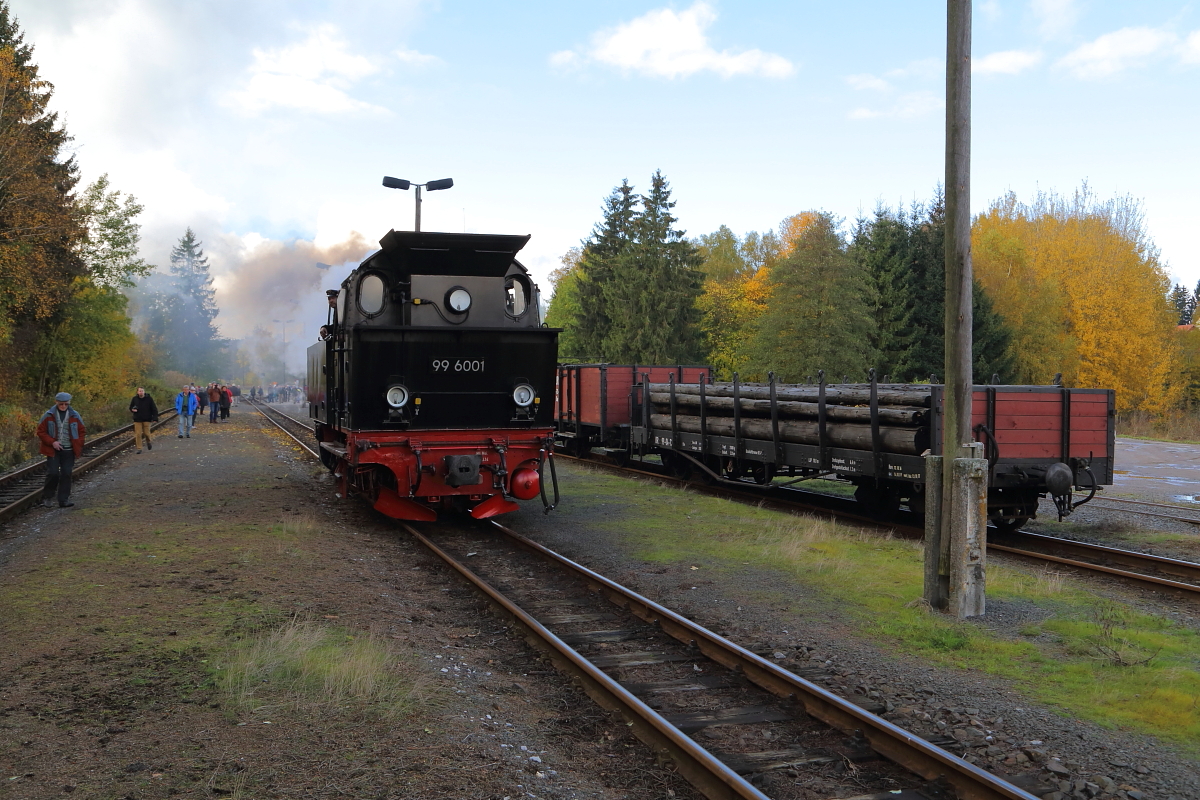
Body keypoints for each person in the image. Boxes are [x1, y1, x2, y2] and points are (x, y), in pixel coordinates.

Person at [36, 392, 85, 508]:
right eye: (61, 404)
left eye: (66, 404)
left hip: (69, 450)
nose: (63, 406)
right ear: (56, 403)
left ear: (69, 403)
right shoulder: (48, 415)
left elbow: (82, 431)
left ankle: (63, 500)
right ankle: (48, 497)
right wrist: (52, 442)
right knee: (53, 473)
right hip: (52, 450)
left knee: (66, 473)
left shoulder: (75, 415)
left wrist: (78, 443)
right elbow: (40, 431)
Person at [128, 387, 159, 453]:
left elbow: (154, 409)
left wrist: (155, 418)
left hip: (147, 419)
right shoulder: (134, 399)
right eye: (139, 391)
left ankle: (148, 441)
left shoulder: (149, 399)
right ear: (137, 392)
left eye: (142, 391)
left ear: (144, 392)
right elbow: (130, 407)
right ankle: (139, 448)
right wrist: (132, 410)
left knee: (146, 433)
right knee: (138, 434)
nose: (141, 392)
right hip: (137, 419)